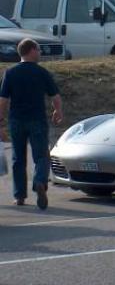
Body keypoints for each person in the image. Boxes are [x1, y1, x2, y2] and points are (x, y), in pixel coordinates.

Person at [0, 38, 63, 210]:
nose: (40, 53)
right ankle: (39, 182)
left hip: (16, 120)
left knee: (18, 158)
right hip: (37, 119)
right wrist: (58, 111)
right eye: (39, 50)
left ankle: (19, 196)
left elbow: (3, 100)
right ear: (32, 50)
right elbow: (55, 97)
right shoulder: (41, 72)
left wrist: (0, 122)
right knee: (42, 156)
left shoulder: (10, 73)